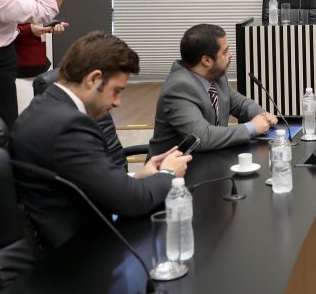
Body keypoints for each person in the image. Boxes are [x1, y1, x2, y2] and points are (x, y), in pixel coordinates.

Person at [10, 31, 190, 249]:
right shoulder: (69, 126)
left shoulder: (45, 107)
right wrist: (168, 173)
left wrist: (137, 176)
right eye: (116, 91)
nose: (117, 103)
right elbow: (132, 201)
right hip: (80, 255)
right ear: (93, 78)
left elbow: (84, 177)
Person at [149, 24, 277, 155]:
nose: (230, 55)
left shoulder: (214, 75)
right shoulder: (178, 89)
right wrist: (252, 128)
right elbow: (202, 138)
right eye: (225, 52)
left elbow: (240, 104)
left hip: (210, 158)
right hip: (174, 170)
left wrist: (262, 116)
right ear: (206, 60)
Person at [0, 0, 66, 129]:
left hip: (38, 64)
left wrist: (49, 26)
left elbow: (49, 11)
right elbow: (46, 10)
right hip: (17, 68)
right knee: (14, 123)